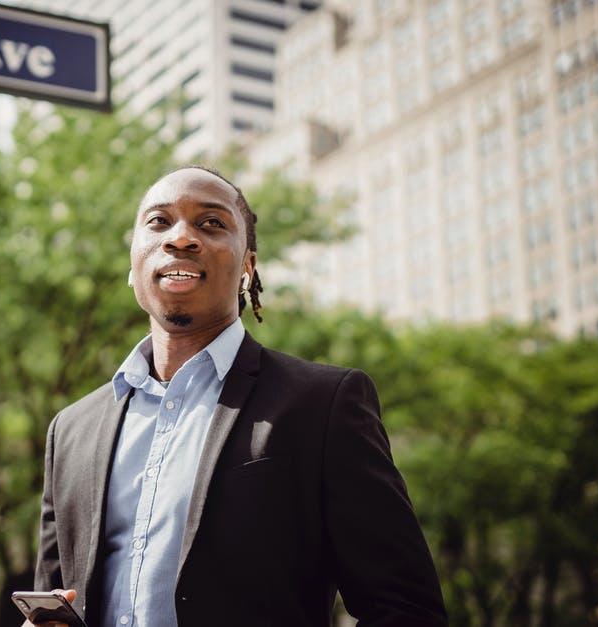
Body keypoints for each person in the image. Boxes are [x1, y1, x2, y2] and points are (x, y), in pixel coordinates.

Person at [24, 166, 446, 626]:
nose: (181, 238)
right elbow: (54, 600)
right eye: (159, 222)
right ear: (134, 262)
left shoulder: (323, 405)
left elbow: (406, 609)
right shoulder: (69, 430)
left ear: (248, 265)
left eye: (211, 223)